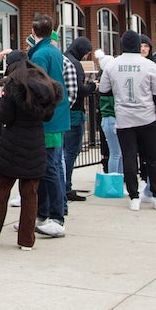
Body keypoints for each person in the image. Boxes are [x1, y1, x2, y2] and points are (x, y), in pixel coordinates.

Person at [0, 52, 61, 250]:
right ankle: (26, 240)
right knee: (30, 195)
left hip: (13, 144)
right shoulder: (46, 85)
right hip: (36, 142)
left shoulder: (13, 86)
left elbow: (4, 116)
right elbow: (47, 117)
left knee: (0, 193)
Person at [98, 31, 156, 210]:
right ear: (138, 45)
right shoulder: (149, 65)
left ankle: (134, 197)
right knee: (153, 158)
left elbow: (103, 90)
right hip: (148, 116)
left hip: (124, 118)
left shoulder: (112, 64)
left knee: (129, 158)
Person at [28, 13, 74, 236]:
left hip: (48, 120)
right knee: (51, 167)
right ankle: (45, 214)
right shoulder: (54, 51)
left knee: (49, 169)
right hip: (57, 117)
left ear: (34, 31)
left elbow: (36, 87)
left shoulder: (41, 54)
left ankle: (55, 216)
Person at [63, 37, 94, 201]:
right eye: (87, 53)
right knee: (71, 152)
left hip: (63, 113)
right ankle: (66, 187)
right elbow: (79, 90)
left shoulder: (63, 58)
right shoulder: (75, 64)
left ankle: (64, 186)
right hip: (74, 113)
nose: (87, 57)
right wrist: (93, 86)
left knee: (62, 153)